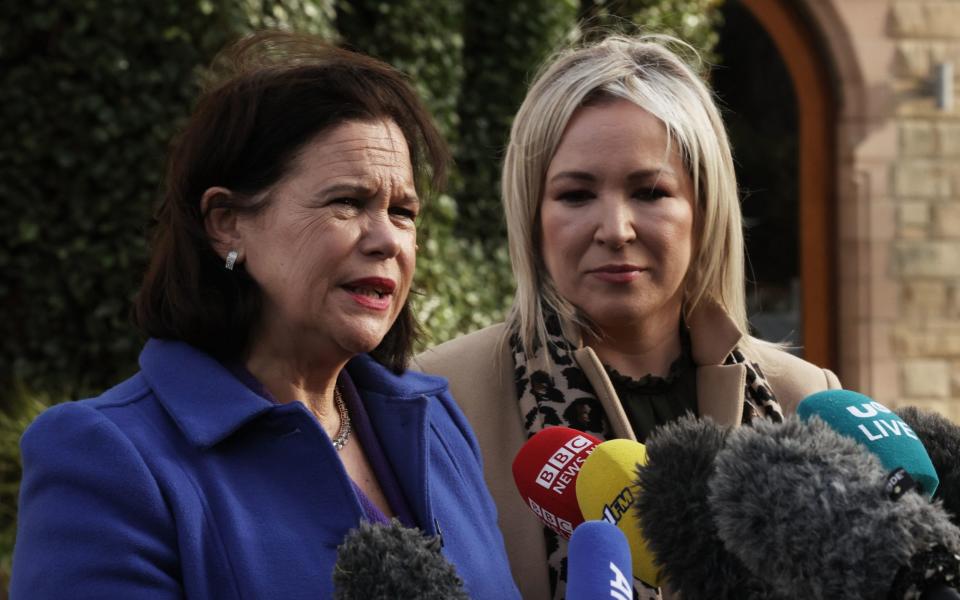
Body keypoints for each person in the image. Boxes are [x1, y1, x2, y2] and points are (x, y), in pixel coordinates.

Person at [11, 32, 519, 600]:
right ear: (227, 222)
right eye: (347, 202)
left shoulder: (434, 419)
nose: (386, 240)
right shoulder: (105, 458)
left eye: (403, 211)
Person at [414, 34, 842, 600]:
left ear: (704, 209)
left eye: (649, 191)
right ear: (532, 215)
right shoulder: (441, 399)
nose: (615, 229)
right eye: (575, 195)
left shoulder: (805, 399)